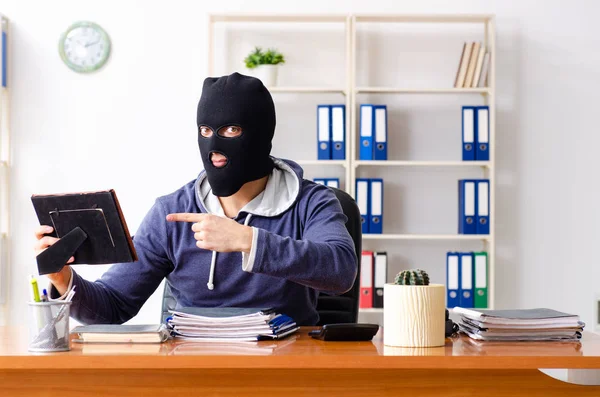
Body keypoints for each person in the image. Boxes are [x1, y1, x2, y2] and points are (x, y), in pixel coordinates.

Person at [33, 72, 358, 326]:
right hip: (193, 367)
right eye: (205, 131)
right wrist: (63, 279)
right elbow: (113, 306)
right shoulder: (172, 212)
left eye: (231, 130)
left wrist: (248, 240)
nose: (214, 145)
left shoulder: (312, 202)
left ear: (260, 134)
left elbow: (341, 271)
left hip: (284, 366)